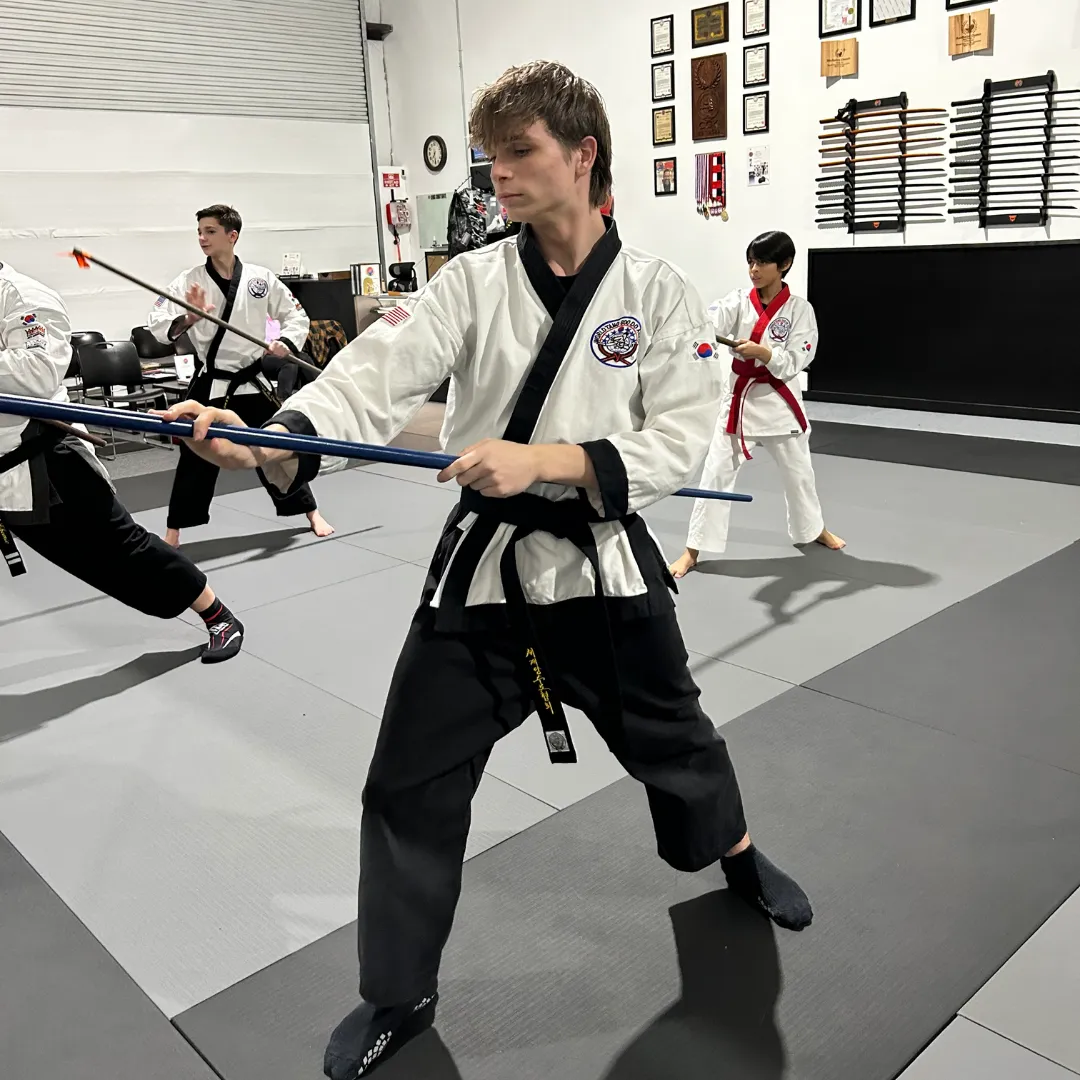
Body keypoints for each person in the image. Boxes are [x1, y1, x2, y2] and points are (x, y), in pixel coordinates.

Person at [158, 62, 813, 1078]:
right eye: (489, 156)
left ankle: (732, 854)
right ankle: (399, 992)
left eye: (519, 152)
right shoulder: (469, 283)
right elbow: (368, 381)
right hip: (485, 578)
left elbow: (683, 438)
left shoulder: (657, 293)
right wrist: (261, 439)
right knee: (405, 785)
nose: (497, 174)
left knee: (679, 744)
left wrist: (551, 461)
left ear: (583, 155)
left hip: (603, 570)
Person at [0, 260, 244, 662]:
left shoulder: (24, 296)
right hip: (6, 460)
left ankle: (216, 614)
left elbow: (39, 372)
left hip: (46, 454)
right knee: (81, 556)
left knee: (120, 548)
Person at [146, 204, 334, 548]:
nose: (202, 238)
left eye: (210, 231)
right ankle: (173, 532)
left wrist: (285, 342)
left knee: (276, 448)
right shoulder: (189, 281)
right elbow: (157, 325)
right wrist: (189, 318)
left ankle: (311, 512)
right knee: (194, 456)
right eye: (200, 232)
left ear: (232, 236)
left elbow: (296, 316)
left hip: (250, 379)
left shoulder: (260, 279)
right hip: (211, 381)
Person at [670, 230, 844, 579]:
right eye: (751, 262)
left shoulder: (799, 310)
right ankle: (693, 549)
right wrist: (694, 324)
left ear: (785, 264)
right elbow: (710, 320)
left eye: (762, 262)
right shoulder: (737, 301)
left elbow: (797, 359)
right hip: (740, 403)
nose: (754, 269)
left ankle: (814, 529)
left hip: (780, 402)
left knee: (799, 475)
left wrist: (765, 353)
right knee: (714, 475)